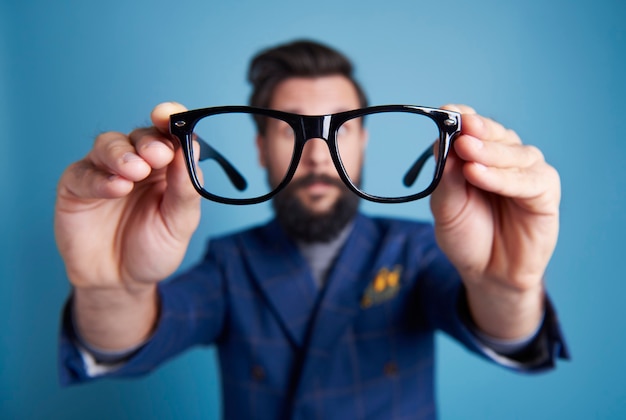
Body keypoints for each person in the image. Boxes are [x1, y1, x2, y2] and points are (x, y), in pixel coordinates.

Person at [56, 40, 568, 419]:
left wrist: (507, 286)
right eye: (289, 127)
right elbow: (139, 337)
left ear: (365, 141)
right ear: (259, 149)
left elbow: (502, 328)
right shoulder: (230, 264)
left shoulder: (417, 250)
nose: (318, 153)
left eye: (341, 127)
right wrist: (112, 290)